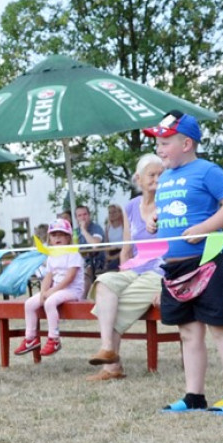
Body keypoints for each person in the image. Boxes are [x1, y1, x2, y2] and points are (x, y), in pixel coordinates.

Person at [141, 112, 223, 414]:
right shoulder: (166, 178)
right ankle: (194, 396)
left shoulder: (207, 171)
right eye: (157, 143)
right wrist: (154, 218)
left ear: (186, 143)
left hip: (208, 263)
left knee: (221, 329)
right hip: (175, 270)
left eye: (164, 143)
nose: (159, 149)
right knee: (188, 332)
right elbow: (169, 208)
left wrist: (205, 228)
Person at [86, 155, 165, 380]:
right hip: (135, 268)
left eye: (161, 174)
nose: (157, 179)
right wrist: (122, 274)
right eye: (152, 175)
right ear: (138, 179)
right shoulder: (130, 206)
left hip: (159, 271)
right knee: (104, 282)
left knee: (113, 311)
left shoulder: (168, 203)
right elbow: (127, 247)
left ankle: (112, 367)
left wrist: (166, 284)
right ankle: (108, 350)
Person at [13, 218, 84, 357]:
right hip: (56, 290)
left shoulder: (73, 253)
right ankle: (30, 338)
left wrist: (52, 291)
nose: (57, 238)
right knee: (29, 304)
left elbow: (70, 277)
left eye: (61, 235)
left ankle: (54, 339)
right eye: (54, 235)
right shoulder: (52, 255)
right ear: (49, 239)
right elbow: (48, 276)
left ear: (68, 238)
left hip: (72, 291)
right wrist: (43, 292)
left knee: (50, 302)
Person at [74, 204, 105, 297]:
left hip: (96, 260)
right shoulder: (75, 232)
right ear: (76, 218)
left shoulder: (96, 228)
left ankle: (81, 299)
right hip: (80, 260)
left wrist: (84, 230)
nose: (83, 218)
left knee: (87, 271)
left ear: (89, 215)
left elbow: (95, 245)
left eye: (85, 214)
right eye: (79, 215)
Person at [103, 203, 125, 272]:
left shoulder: (124, 226)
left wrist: (115, 256)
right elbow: (106, 244)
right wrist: (107, 256)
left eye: (114, 212)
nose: (112, 214)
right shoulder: (108, 228)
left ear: (120, 213)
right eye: (110, 213)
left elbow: (127, 245)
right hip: (111, 252)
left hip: (122, 251)